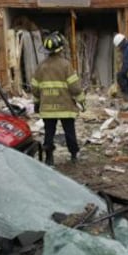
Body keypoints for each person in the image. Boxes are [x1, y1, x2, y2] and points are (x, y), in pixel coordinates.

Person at [31, 32, 84, 166]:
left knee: (49, 133)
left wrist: (37, 103)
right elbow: (75, 87)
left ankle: (49, 158)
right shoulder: (66, 65)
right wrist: (81, 101)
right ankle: (74, 155)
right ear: (60, 49)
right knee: (69, 132)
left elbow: (35, 88)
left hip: (48, 108)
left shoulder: (41, 66)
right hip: (65, 107)